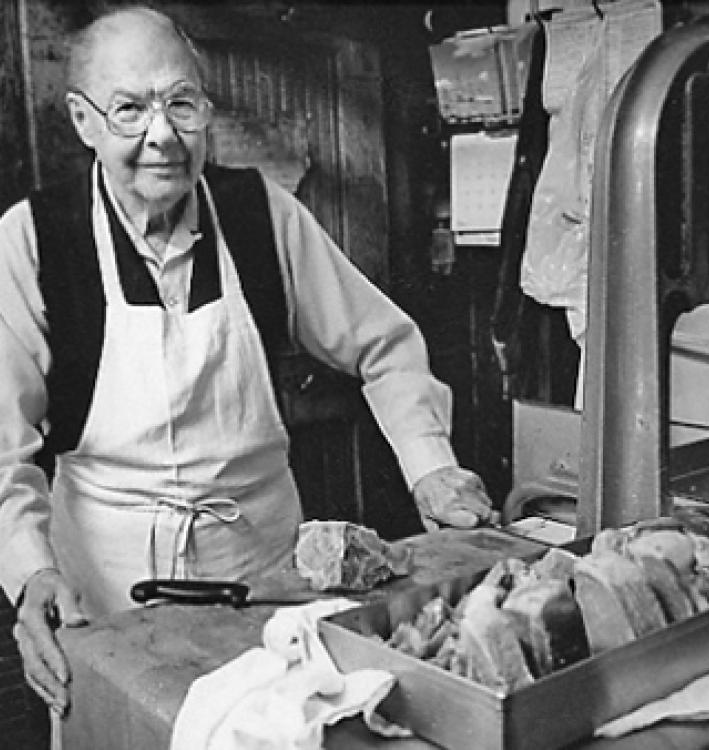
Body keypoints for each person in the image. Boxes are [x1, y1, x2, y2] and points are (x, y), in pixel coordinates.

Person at [0, 5, 493, 719]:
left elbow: (385, 344)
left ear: (205, 108)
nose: (162, 135)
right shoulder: (31, 240)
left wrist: (431, 464)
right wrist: (30, 574)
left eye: (180, 103)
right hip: (105, 596)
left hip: (266, 583)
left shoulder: (264, 214)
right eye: (130, 110)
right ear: (83, 122)